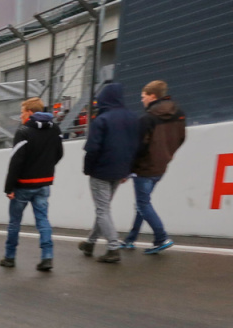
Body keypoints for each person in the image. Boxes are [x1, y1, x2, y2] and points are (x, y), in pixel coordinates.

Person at [78, 82, 139, 264]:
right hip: (120, 171)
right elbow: (135, 147)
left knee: (102, 209)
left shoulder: (102, 119)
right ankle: (90, 243)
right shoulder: (133, 118)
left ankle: (113, 247)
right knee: (103, 209)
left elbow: (92, 149)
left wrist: (88, 169)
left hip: (100, 171)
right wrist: (128, 170)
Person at [0, 97, 63, 272]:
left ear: (29, 112)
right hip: (44, 184)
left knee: (15, 222)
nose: (20, 116)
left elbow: (16, 162)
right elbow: (59, 154)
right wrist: (45, 168)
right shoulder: (55, 128)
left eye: (22, 112)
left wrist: (9, 187)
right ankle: (47, 257)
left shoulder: (24, 131)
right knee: (43, 220)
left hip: (23, 185)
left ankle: (10, 257)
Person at [123, 80, 185, 255]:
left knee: (143, 204)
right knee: (143, 203)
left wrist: (128, 168)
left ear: (152, 96)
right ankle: (130, 240)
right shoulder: (178, 113)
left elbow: (139, 146)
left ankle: (161, 237)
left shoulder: (147, 118)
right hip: (161, 166)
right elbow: (181, 137)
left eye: (143, 96)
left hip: (144, 167)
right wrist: (168, 154)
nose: (141, 100)